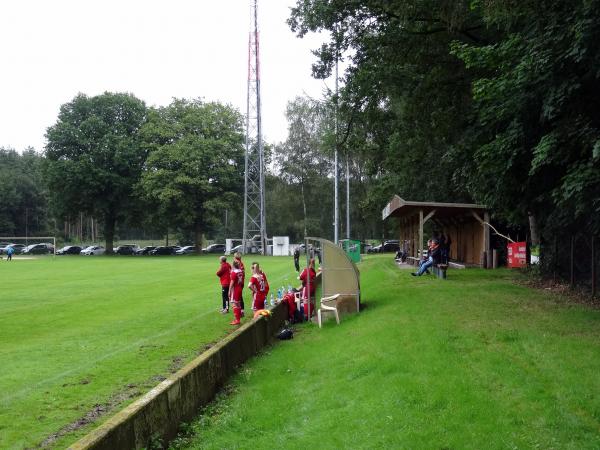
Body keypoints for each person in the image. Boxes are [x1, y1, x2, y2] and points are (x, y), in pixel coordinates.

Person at [229, 260, 244, 325]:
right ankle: (238, 317)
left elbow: (232, 282)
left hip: (235, 289)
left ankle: (237, 320)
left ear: (233, 265)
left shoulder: (234, 272)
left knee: (234, 304)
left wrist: (229, 291)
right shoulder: (241, 271)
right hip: (239, 288)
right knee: (238, 303)